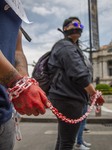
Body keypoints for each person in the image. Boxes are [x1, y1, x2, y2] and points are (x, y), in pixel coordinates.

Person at [47, 16, 104, 150]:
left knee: (62, 139)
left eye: (80, 26)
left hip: (65, 97)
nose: (78, 28)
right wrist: (94, 94)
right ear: (65, 28)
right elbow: (79, 73)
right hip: (69, 99)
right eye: (74, 25)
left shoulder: (70, 46)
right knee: (67, 142)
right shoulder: (65, 45)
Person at [0, 1, 48, 150]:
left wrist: (25, 80)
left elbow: (17, 50)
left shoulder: (15, 6)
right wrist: (16, 82)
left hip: (5, 112)